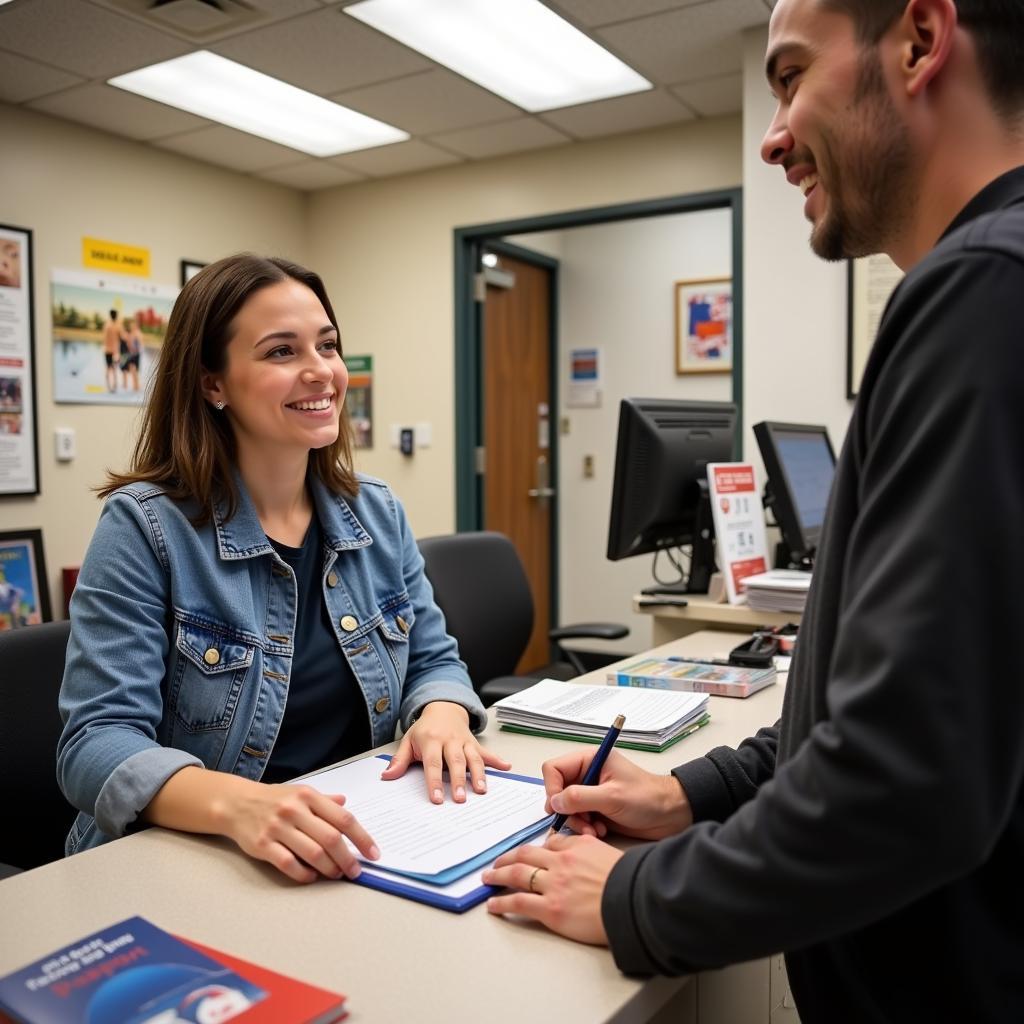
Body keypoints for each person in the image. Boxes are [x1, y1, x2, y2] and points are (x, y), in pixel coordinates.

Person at [483, 1, 1024, 1019]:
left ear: (917, 38)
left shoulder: (981, 291)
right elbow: (900, 701)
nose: (772, 136)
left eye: (788, 76)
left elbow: (908, 782)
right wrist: (693, 792)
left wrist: (636, 894)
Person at [59, 254, 508, 885]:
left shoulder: (375, 511)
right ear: (213, 384)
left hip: (355, 840)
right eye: (280, 352)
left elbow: (433, 661)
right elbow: (95, 745)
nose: (321, 370)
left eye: (327, 345)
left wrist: (442, 713)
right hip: (193, 861)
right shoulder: (144, 528)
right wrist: (243, 806)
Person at [119, 316, 142, 392]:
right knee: (133, 370)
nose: (132, 327)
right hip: (133, 354)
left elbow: (137, 345)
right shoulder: (134, 333)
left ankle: (136, 386)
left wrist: (133, 349)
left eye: (133, 325)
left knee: (134, 371)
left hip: (135, 354)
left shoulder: (137, 333)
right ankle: (135, 386)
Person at [102, 308, 121, 392]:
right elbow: (122, 337)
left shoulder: (107, 325)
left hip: (108, 350)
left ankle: (110, 386)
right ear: (115, 316)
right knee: (113, 368)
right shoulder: (116, 326)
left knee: (109, 368)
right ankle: (113, 386)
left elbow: (104, 339)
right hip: (113, 351)